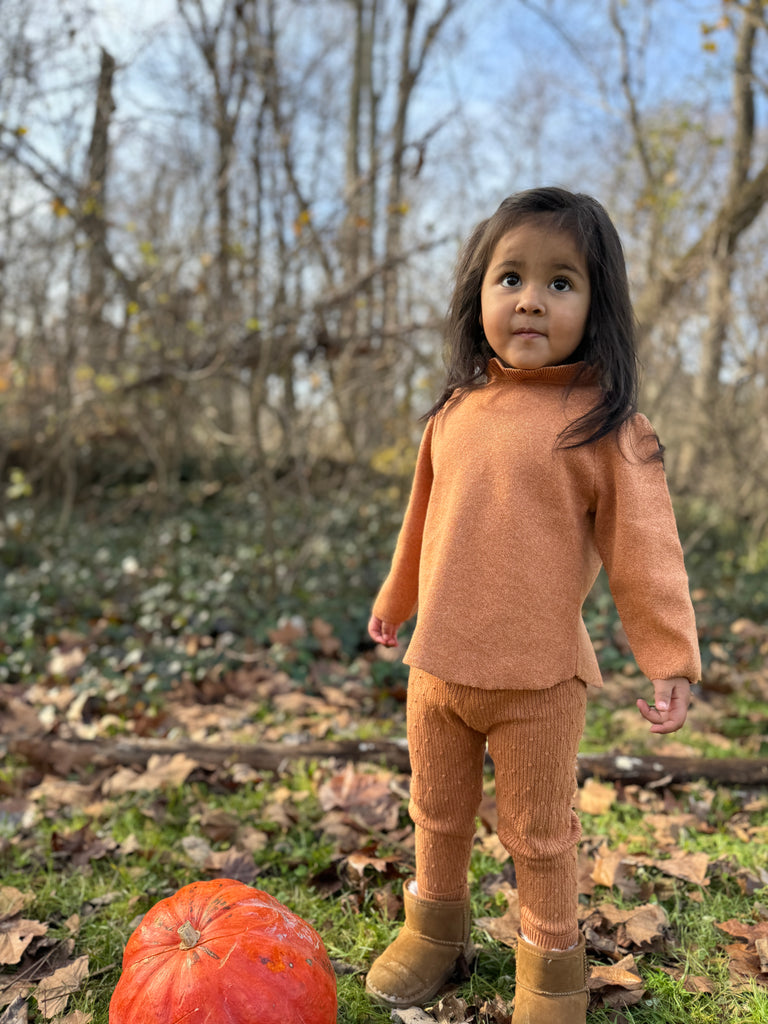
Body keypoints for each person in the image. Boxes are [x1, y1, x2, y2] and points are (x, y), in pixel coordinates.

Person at [364, 187, 700, 1024]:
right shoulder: (453, 413)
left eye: (561, 283)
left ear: (598, 306)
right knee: (436, 810)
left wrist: (670, 658)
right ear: (478, 295)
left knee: (540, 834)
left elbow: (646, 551)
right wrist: (396, 599)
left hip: (538, 680)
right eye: (510, 277)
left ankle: (552, 972)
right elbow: (424, 520)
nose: (530, 299)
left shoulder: (607, 425)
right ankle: (435, 930)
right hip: (437, 666)